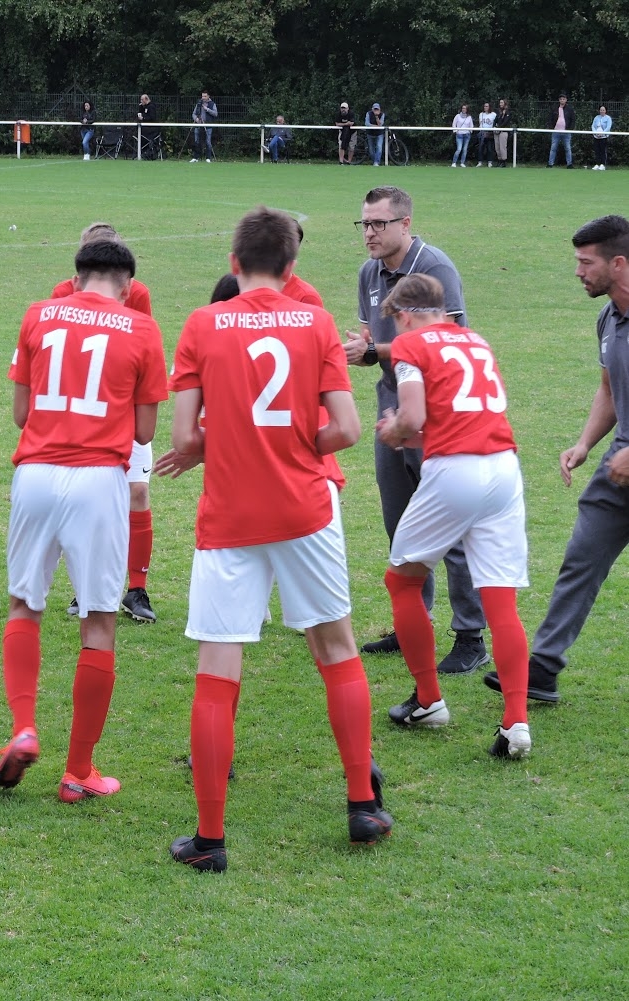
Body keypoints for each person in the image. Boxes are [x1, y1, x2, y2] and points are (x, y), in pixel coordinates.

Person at [159, 206, 388, 874]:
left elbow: (183, 439)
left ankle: (209, 840)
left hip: (230, 516)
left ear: (234, 264)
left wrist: (233, 441)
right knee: (338, 649)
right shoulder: (316, 321)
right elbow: (347, 429)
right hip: (306, 510)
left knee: (217, 667)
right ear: (292, 267)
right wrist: (292, 444)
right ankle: (361, 805)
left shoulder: (202, 323)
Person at [0, 239, 168, 802]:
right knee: (98, 621)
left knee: (25, 604)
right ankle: (78, 772)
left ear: (76, 277)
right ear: (127, 285)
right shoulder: (142, 327)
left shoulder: (38, 314)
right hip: (97, 480)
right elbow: (144, 431)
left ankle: (24, 728)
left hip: (35, 475)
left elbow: (21, 413)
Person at [373, 275, 532, 759]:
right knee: (500, 598)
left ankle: (428, 699)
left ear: (404, 315)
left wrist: (394, 429)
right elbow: (462, 417)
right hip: (503, 467)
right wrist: (411, 432)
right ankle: (516, 722)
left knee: (403, 580)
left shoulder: (410, 344)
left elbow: (413, 417)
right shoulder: (476, 340)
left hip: (455, 471)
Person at [482, 216, 629, 705]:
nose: (578, 272)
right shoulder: (608, 317)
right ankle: (543, 667)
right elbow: (610, 388)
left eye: (586, 262)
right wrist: (586, 443)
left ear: (618, 263)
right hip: (618, 465)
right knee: (582, 558)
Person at [343, 186, 490, 673]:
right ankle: (413, 623)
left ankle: (470, 636)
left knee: (451, 526)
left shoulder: (435, 268)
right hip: (392, 406)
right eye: (364, 223)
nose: (369, 233)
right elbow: (377, 341)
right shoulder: (369, 272)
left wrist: (372, 351)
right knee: (401, 523)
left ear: (405, 223)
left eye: (378, 224)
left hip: (437, 415)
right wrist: (364, 347)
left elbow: (445, 343)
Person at [52, 223, 159, 623]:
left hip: (125, 411)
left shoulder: (137, 293)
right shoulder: (61, 294)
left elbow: (141, 351)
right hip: (81, 416)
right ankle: (85, 587)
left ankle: (137, 589)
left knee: (137, 493)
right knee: (87, 502)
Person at [548, 94, 575, 168]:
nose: (562, 100)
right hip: (556, 132)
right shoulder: (554, 108)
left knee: (568, 148)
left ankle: (569, 164)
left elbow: (573, 120)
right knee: (553, 148)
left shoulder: (570, 109)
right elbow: (550, 119)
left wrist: (570, 129)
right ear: (559, 100)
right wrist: (551, 128)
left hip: (566, 132)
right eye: (561, 99)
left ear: (566, 100)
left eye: (563, 99)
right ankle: (550, 164)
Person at [191, 90, 218, 162]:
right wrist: (196, 119)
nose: (203, 98)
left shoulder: (212, 104)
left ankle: (208, 158)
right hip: (199, 125)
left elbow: (215, 114)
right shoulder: (198, 104)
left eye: (205, 96)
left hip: (208, 125)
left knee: (208, 141)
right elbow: (193, 114)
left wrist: (207, 109)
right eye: (202, 96)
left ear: (208, 96)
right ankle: (196, 157)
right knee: (197, 141)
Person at [475, 101, 497, 166]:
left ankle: (490, 162)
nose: (485, 107)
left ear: (489, 107)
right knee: (480, 148)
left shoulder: (493, 114)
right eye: (484, 106)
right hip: (482, 132)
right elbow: (480, 123)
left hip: (489, 133)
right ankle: (480, 162)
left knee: (489, 148)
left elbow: (496, 123)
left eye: (487, 106)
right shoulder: (481, 114)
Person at [592, 106, 612, 170]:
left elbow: (608, 127)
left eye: (603, 110)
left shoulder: (608, 118)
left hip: (604, 137)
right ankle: (597, 164)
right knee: (597, 151)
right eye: (601, 110)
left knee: (603, 151)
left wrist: (602, 133)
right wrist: (595, 133)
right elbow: (593, 126)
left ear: (605, 111)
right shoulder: (596, 117)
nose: (602, 111)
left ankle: (603, 164)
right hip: (596, 137)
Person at [494, 99, 513, 165]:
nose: (500, 104)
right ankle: (499, 160)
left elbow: (506, 122)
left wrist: (499, 127)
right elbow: (495, 120)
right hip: (497, 131)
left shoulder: (508, 112)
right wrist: (494, 126)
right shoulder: (498, 112)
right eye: (500, 103)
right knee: (497, 147)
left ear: (505, 103)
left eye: (502, 102)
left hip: (503, 131)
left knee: (502, 147)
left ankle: (503, 161)